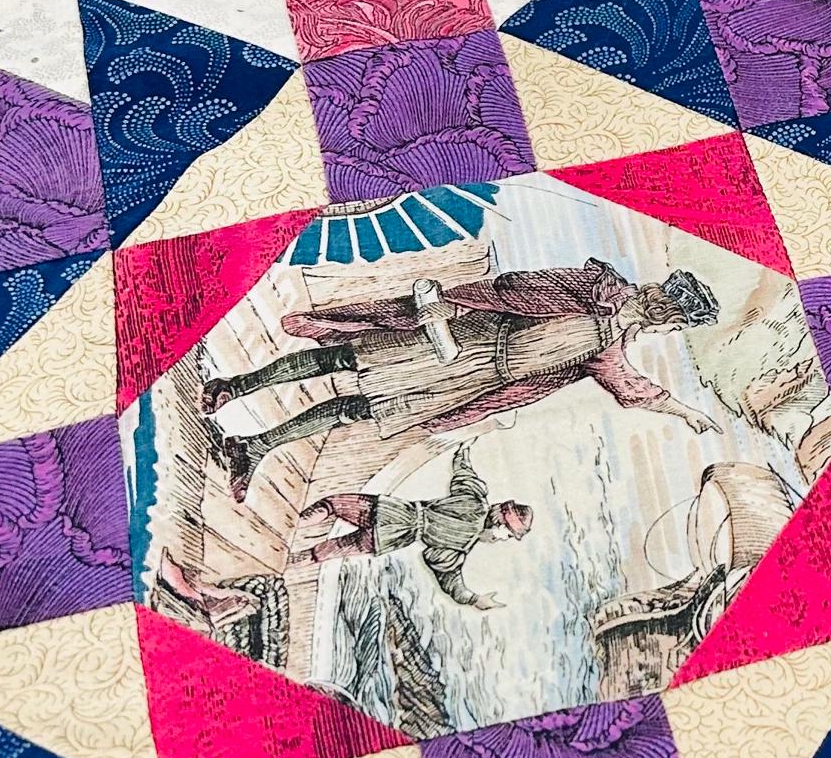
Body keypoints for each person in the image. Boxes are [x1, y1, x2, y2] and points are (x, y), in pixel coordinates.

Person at [202, 258, 723, 496]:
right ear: (663, 303)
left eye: (673, 322)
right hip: (463, 335)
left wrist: (684, 411)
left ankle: (254, 446)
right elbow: (513, 286)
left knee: (356, 410)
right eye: (671, 314)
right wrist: (446, 309)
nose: (665, 324)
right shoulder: (596, 286)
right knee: (340, 359)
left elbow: (629, 387)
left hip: (471, 379)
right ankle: (234, 387)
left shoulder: (612, 344)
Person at [295, 447, 532, 610]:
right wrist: (473, 599)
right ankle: (290, 562)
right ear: (501, 521)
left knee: (332, 505)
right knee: (328, 550)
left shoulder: (474, 498)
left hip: (391, 510)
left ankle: (293, 524)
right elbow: (447, 576)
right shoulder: (460, 547)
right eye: (508, 534)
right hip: (391, 537)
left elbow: (463, 472)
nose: (503, 539)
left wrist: (464, 450)